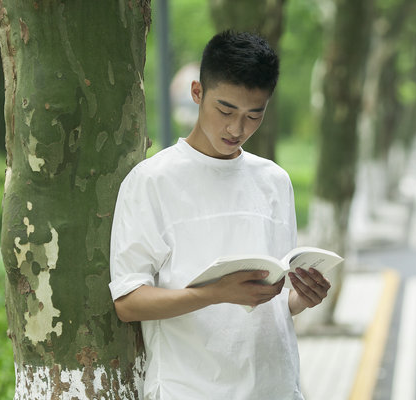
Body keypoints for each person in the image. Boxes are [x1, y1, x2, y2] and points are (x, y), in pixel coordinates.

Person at [109, 30, 332, 400]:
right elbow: (128, 302)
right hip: (190, 389)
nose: (236, 128)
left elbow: (269, 305)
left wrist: (302, 298)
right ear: (198, 93)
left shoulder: (274, 182)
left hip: (275, 387)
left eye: (253, 115)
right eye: (225, 110)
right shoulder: (152, 181)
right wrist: (215, 293)